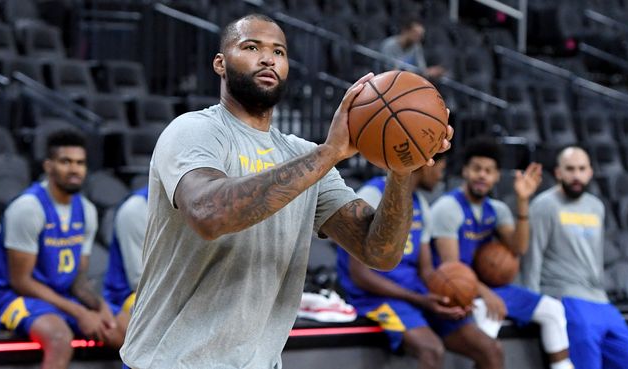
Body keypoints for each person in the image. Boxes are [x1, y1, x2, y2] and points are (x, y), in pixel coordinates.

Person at [119, 13, 454, 369]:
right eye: (251, 47)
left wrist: (401, 171)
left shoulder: (306, 157)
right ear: (220, 63)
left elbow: (380, 253)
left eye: (278, 52)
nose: (268, 58)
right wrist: (328, 153)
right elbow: (209, 214)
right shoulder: (193, 131)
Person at [338, 155, 504, 369]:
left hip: (414, 294)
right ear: (426, 166)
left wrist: (453, 297)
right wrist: (418, 299)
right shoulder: (372, 194)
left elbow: (426, 271)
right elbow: (359, 274)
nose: (440, 177)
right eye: (440, 169)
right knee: (431, 350)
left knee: (491, 349)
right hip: (374, 298)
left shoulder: (420, 204)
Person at [0, 130, 123, 369]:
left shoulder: (86, 210)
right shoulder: (27, 208)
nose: (74, 169)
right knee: (59, 339)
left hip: (61, 295)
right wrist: (80, 313)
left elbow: (78, 279)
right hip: (11, 297)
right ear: (48, 166)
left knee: (127, 329)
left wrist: (100, 307)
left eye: (80, 163)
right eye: (65, 161)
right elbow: (21, 281)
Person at [430, 138, 574, 369]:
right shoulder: (448, 208)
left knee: (553, 310)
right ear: (465, 171)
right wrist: (486, 294)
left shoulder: (497, 210)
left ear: (497, 176)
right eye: (476, 169)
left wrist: (523, 201)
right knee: (489, 322)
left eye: (489, 171)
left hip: (487, 289)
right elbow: (453, 269)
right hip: (457, 291)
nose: (482, 175)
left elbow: (519, 248)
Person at [523, 145, 628, 369]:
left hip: (600, 299)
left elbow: (594, 256)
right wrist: (533, 301)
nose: (576, 175)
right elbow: (532, 256)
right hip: (565, 296)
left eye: (581, 169)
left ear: (590, 172)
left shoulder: (596, 206)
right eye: (570, 169)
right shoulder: (544, 205)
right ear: (558, 172)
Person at [102, 186, 148, 338]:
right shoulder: (135, 209)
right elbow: (140, 281)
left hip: (176, 290)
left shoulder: (200, 205)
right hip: (129, 294)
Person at [379, 16, 445, 79]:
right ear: (405, 31)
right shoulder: (389, 45)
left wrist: (430, 72)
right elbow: (389, 70)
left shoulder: (416, 46)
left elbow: (421, 70)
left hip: (408, 80)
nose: (418, 38)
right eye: (415, 34)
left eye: (420, 36)